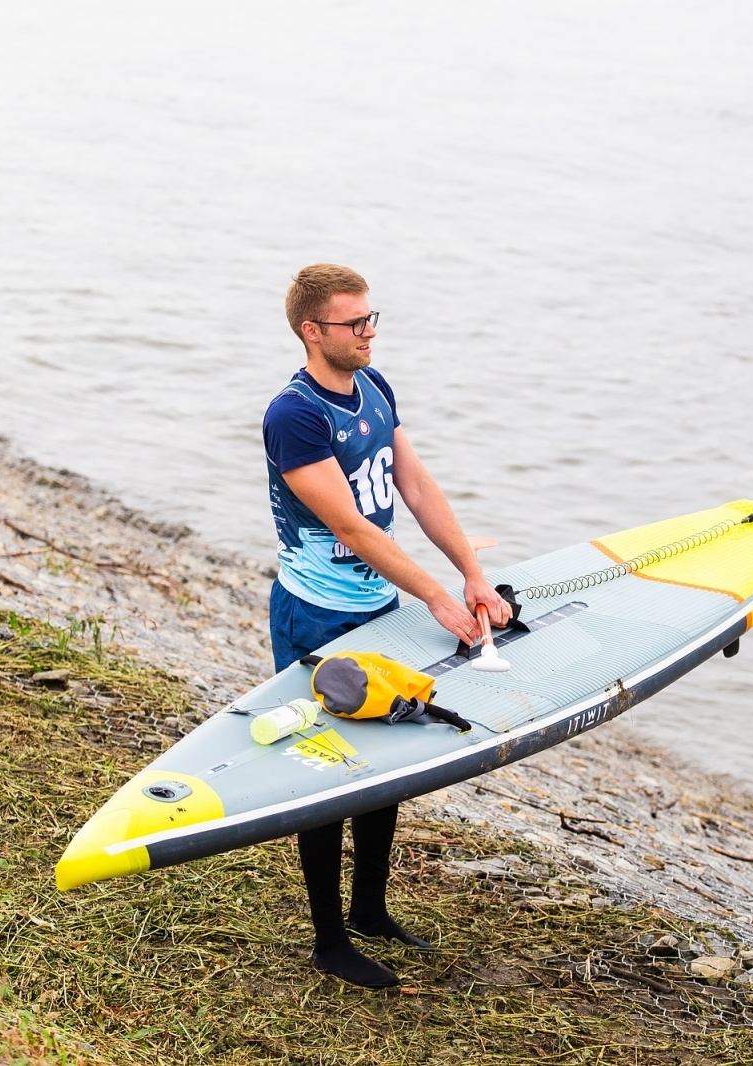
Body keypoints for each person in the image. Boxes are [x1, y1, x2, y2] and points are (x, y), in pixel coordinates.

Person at [262, 263, 511, 988]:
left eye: (374, 318)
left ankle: (370, 908)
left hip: (378, 605)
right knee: (328, 763)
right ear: (313, 331)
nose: (370, 332)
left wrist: (468, 567)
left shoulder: (373, 385)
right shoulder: (296, 413)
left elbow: (414, 482)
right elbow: (352, 526)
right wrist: (436, 598)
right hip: (316, 614)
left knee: (388, 750)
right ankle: (328, 938)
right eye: (355, 323)